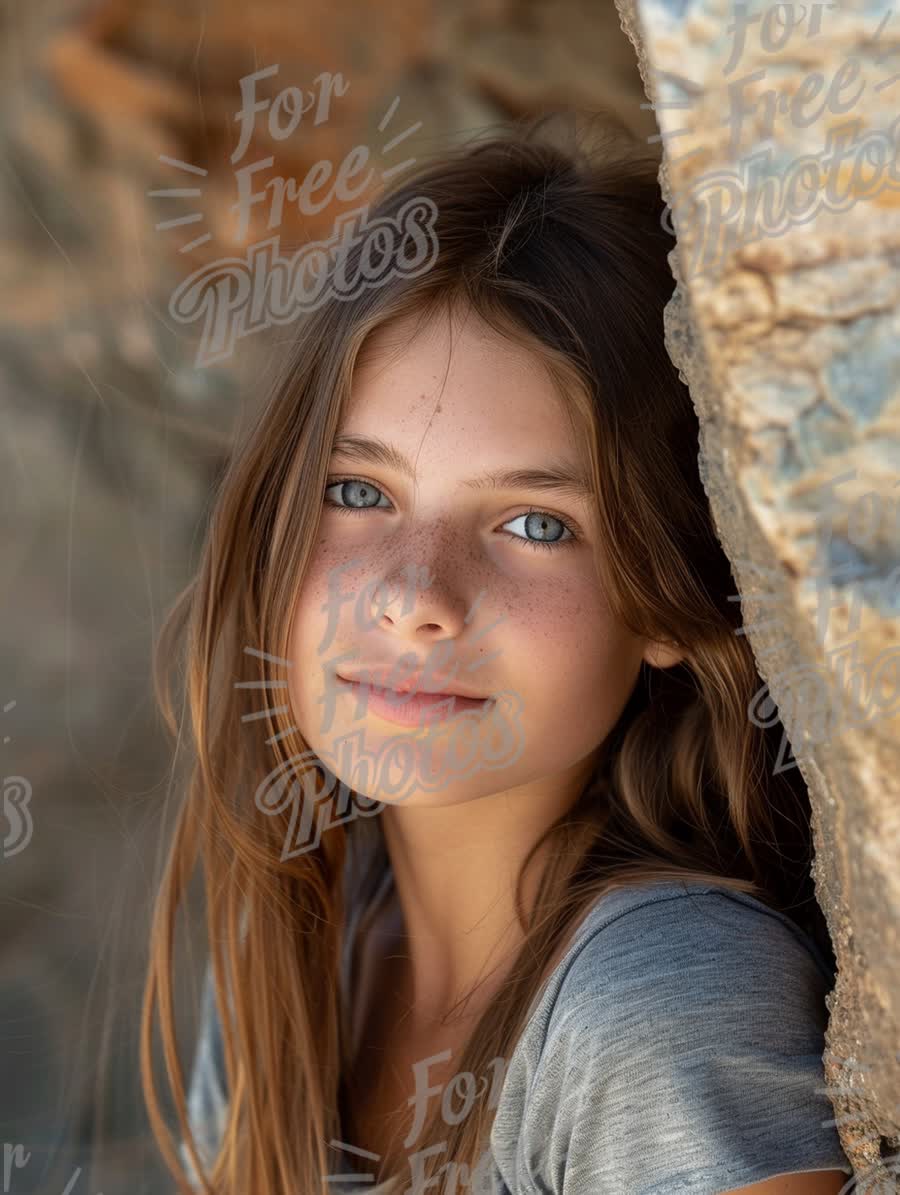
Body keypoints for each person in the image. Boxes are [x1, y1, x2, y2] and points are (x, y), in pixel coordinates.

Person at [141, 115, 854, 1194]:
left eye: (535, 523)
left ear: (667, 601)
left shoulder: (655, 1008)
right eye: (357, 492)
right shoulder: (288, 948)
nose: (415, 596)